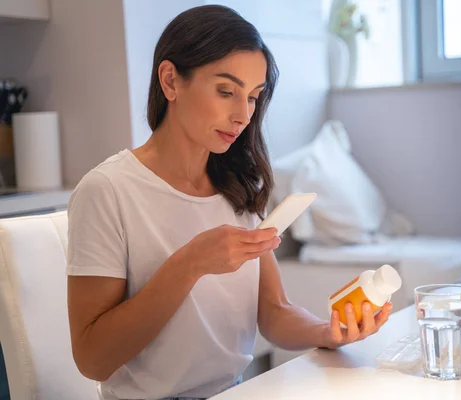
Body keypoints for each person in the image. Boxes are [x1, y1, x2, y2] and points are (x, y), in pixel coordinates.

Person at [66, 5, 393, 400]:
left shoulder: (236, 186)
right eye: (226, 92)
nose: (243, 115)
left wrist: (327, 332)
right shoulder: (107, 190)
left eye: (253, 97)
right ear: (171, 81)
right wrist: (189, 265)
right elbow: (92, 360)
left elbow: (273, 312)